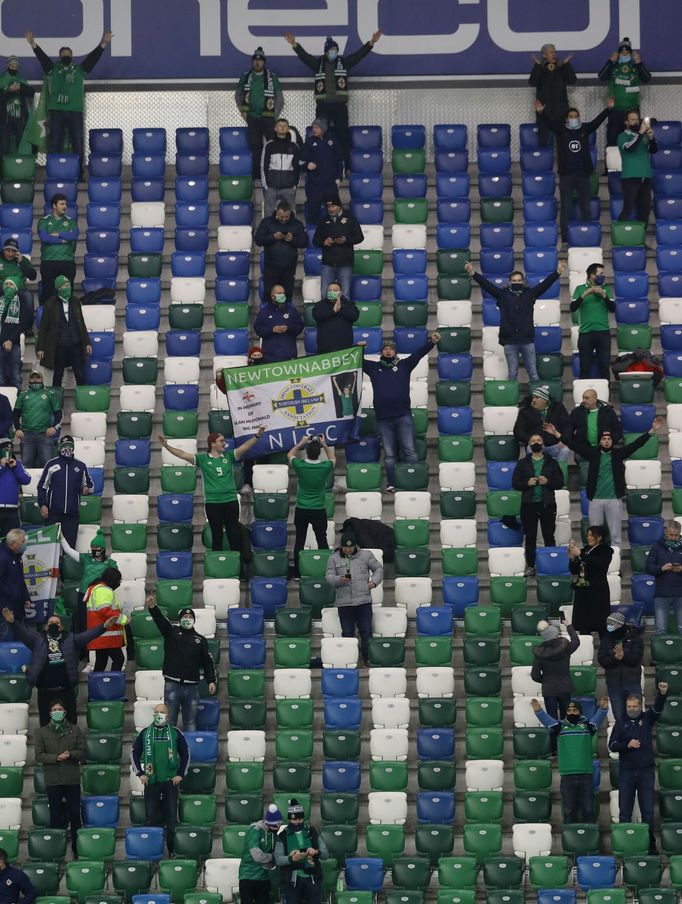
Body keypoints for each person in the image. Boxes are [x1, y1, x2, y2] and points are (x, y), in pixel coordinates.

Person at [546, 417, 664, 547]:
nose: (607, 441)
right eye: (604, 439)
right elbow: (573, 444)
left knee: (615, 535)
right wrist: (556, 433)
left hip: (613, 499)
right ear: (600, 442)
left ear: (612, 441)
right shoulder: (592, 453)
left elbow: (636, 444)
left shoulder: (619, 454)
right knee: (595, 534)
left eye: (609, 439)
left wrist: (652, 430)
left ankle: (616, 560)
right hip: (596, 499)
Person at [283, 31, 382, 173]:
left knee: (343, 137)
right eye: (331, 50)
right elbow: (304, 57)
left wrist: (371, 42)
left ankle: (345, 167)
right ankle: (321, 165)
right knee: (320, 136)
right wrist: (294, 44)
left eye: (336, 50)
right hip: (322, 106)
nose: (334, 52)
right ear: (326, 51)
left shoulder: (344, 63)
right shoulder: (318, 64)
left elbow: (358, 56)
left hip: (340, 106)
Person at [1, 606, 117, 725]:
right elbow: (23, 633)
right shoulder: (37, 640)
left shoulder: (71, 639)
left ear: (61, 627)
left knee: (71, 724)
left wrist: (104, 627)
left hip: (66, 691)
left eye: (56, 622)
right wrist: (12, 622)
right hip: (45, 692)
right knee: (45, 725)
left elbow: (88, 635)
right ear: (46, 626)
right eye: (51, 622)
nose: (54, 624)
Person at [160, 429, 263, 555]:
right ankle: (218, 565)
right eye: (221, 441)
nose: (224, 443)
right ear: (212, 444)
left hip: (230, 500)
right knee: (216, 534)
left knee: (234, 533)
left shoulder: (229, 456)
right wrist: (166, 445)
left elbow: (245, 446)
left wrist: (257, 435)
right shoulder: (203, 459)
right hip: (213, 502)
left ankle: (238, 566)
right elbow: (182, 454)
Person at [465, 260, 565, 381]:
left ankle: (538, 399)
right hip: (509, 339)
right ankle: (513, 400)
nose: (516, 282)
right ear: (509, 282)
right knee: (512, 373)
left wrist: (557, 272)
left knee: (533, 372)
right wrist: (473, 273)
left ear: (523, 282)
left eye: (519, 280)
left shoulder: (530, 294)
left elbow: (545, 285)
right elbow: (487, 285)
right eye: (514, 281)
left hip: (527, 338)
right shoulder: (503, 294)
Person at [363, 335, 440, 492]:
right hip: (383, 418)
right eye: (385, 349)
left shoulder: (405, 365)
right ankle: (392, 483)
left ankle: (414, 482)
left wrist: (431, 342)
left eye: (391, 349)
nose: (388, 351)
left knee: (409, 450)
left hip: (402, 415)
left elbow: (418, 353)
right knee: (390, 455)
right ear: (381, 353)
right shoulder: (373, 368)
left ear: (395, 352)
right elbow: (357, 360)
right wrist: (359, 348)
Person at [26, 29, 112, 163]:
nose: (66, 57)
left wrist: (103, 44)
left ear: (72, 57)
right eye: (64, 55)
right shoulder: (52, 68)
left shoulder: (79, 69)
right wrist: (33, 44)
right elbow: (42, 58)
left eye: (68, 55)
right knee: (55, 144)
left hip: (75, 111)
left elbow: (92, 59)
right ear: (59, 56)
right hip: (57, 111)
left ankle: (78, 175)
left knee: (77, 144)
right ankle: (54, 171)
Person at [534, 99, 611, 244]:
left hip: (583, 175)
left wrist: (607, 110)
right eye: (571, 116)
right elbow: (549, 122)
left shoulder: (584, 129)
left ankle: (588, 238)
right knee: (566, 208)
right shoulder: (561, 129)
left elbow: (597, 122)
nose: (574, 118)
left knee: (586, 207)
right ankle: (565, 240)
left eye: (576, 116)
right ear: (566, 119)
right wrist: (541, 112)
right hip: (566, 176)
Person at [608, 682, 668, 852]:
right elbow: (612, 745)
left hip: (646, 772)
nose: (632, 709)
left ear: (640, 706)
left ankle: (650, 845)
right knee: (624, 812)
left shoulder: (647, 719)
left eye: (635, 706)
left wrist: (662, 694)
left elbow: (657, 708)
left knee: (648, 811)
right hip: (626, 772)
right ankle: (627, 845)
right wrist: (627, 744)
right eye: (629, 706)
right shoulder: (621, 723)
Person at [144, 595, 217, 731]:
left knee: (190, 723)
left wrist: (211, 680)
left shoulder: (200, 640)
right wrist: (153, 607)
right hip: (173, 685)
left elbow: (207, 662)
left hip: (192, 688)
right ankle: (170, 751)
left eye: (190, 618)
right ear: (180, 619)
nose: (187, 619)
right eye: (185, 617)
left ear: (194, 620)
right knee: (169, 723)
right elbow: (160, 621)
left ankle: (189, 751)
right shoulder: (171, 632)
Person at [531, 696, 609, 823]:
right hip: (567, 776)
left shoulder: (588, 726)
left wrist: (603, 709)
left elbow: (598, 718)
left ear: (580, 712)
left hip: (586, 775)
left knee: (589, 811)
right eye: (569, 710)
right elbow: (547, 721)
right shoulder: (560, 726)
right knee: (569, 811)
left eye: (575, 710)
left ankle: (589, 838)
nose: (572, 713)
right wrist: (538, 711)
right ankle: (569, 839)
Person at [131, 703, 190, 857]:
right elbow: (134, 753)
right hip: (151, 782)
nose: (159, 714)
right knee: (150, 819)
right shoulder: (145, 733)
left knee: (171, 820)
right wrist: (140, 773)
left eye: (162, 712)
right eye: (156, 712)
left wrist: (180, 774)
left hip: (171, 782)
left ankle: (172, 851)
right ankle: (149, 852)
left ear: (167, 715)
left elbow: (186, 754)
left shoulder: (175, 733)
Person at [34, 699, 85, 858]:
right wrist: (56, 757)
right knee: (55, 816)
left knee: (75, 815)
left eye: (60, 709)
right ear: (50, 713)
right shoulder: (41, 732)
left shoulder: (75, 730)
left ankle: (77, 849)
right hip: (53, 780)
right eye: (54, 709)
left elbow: (83, 752)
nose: (57, 711)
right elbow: (39, 755)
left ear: (64, 712)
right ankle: (56, 852)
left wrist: (71, 754)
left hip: (72, 779)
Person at [326, 533, 383, 667]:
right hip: (344, 603)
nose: (347, 550)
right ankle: (349, 661)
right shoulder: (333, 558)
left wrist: (374, 582)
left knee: (366, 632)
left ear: (356, 546)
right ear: (341, 546)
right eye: (345, 547)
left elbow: (378, 569)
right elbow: (329, 577)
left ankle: (368, 660)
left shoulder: (366, 555)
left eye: (350, 547)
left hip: (363, 601)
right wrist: (339, 580)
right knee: (347, 633)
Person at [511, 433, 564, 576]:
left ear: (543, 444)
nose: (536, 442)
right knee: (530, 537)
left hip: (547, 504)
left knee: (549, 535)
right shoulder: (522, 463)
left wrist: (548, 482)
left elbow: (560, 482)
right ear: (529, 445)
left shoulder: (552, 462)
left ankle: (551, 566)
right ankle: (531, 566)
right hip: (529, 505)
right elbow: (515, 483)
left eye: (538, 440)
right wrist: (526, 483)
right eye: (533, 440)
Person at [288, 436, 335, 578]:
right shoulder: (325, 467)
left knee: (300, 541)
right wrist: (325, 444)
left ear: (307, 453)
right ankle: (327, 571)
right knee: (322, 540)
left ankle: (297, 572)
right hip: (319, 509)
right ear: (318, 453)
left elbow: (290, 454)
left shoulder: (300, 465)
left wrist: (301, 443)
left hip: (302, 508)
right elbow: (333, 458)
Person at [235, 47, 284, 181]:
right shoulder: (245, 77)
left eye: (260, 61)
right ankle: (257, 175)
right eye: (255, 61)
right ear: (252, 62)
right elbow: (238, 95)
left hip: (269, 118)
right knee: (255, 148)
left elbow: (279, 98)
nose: (257, 63)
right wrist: (242, 110)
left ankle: (271, 173)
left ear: (264, 62)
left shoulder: (272, 77)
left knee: (271, 146)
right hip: (252, 118)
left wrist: (275, 116)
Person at [37, 434, 94, 548]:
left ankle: (67, 566)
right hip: (53, 514)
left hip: (72, 515)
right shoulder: (51, 464)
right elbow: (42, 487)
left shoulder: (81, 466)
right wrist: (43, 504)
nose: (67, 448)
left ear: (73, 448)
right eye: (64, 446)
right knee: (50, 547)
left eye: (70, 446)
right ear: (59, 448)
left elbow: (90, 486)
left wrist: (87, 488)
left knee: (70, 548)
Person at [36, 276, 91, 388]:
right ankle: (56, 402)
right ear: (58, 288)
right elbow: (43, 328)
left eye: (68, 285)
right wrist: (40, 347)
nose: (68, 288)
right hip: (59, 345)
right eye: (64, 286)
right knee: (58, 375)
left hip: (75, 344)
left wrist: (87, 342)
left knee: (80, 374)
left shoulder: (75, 301)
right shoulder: (50, 304)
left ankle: (83, 397)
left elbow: (82, 324)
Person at [61, 528, 118, 635]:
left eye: (97, 547)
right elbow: (68, 550)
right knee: (83, 624)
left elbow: (115, 580)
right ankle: (83, 650)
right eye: (92, 547)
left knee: (98, 623)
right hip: (83, 595)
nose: (94, 550)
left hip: (99, 597)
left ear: (102, 549)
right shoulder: (86, 558)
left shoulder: (110, 563)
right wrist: (61, 534)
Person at [598, 37, 652, 148]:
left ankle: (633, 163)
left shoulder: (636, 67)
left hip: (632, 110)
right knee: (613, 141)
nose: (625, 53)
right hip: (616, 110)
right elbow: (602, 77)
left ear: (631, 54)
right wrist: (610, 61)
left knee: (635, 139)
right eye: (622, 51)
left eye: (627, 51)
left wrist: (639, 62)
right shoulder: (614, 66)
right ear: (618, 53)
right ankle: (612, 166)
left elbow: (647, 78)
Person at [274, 799, 329, 904]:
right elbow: (277, 859)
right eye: (294, 820)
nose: (297, 822)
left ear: (303, 818)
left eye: (300, 819)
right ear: (289, 819)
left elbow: (325, 853)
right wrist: (291, 858)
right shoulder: (282, 836)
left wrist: (316, 852)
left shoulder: (312, 832)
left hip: (312, 878)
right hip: (292, 881)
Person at [254, 199, 308, 303]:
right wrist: (273, 236)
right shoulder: (267, 222)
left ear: (290, 213)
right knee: (269, 296)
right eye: (281, 217)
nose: (283, 219)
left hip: (289, 268)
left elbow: (304, 242)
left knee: (287, 296)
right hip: (271, 268)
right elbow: (258, 240)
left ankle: (285, 317)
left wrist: (292, 239)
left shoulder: (297, 224)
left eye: (286, 217)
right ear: (276, 212)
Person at [570, 262, 616, 381]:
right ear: (592, 275)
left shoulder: (606, 289)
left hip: (603, 333)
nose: (603, 276)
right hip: (585, 333)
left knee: (604, 366)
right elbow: (572, 308)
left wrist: (604, 296)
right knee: (585, 367)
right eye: (601, 273)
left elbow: (613, 309)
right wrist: (583, 296)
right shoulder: (580, 289)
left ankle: (606, 397)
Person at [531, 618, 581, 725]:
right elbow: (576, 641)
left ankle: (554, 741)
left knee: (552, 723)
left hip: (549, 690)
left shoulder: (540, 654)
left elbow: (534, 675)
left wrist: (545, 680)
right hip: (564, 687)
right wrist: (569, 626)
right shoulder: (565, 648)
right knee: (567, 720)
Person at [313, 195, 364, 299]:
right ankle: (326, 315)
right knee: (325, 294)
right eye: (328, 207)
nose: (331, 209)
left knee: (345, 295)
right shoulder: (323, 221)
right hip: (328, 263)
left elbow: (359, 237)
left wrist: (346, 240)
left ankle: (343, 315)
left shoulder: (350, 219)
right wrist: (324, 242)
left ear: (339, 206)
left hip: (345, 263)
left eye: (333, 206)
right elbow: (315, 240)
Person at [598, 611, 644, 721]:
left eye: (611, 625)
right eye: (608, 624)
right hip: (614, 684)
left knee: (636, 716)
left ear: (620, 625)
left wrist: (623, 657)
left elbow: (635, 659)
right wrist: (615, 658)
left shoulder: (635, 638)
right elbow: (602, 660)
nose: (609, 627)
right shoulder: (606, 639)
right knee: (619, 718)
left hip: (632, 682)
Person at [568, 526, 614, 634]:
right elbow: (574, 570)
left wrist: (580, 555)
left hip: (597, 591)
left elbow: (599, 563)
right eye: (587, 535)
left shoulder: (606, 550)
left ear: (599, 537)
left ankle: (605, 649)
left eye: (591, 535)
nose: (588, 538)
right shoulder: (585, 550)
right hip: (583, 591)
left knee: (601, 623)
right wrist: (572, 558)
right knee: (583, 624)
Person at [528, 44, 577, 146]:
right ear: (544, 55)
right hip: (544, 111)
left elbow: (572, 80)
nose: (554, 54)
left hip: (561, 111)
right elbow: (533, 82)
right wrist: (537, 66)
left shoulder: (561, 68)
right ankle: (543, 161)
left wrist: (567, 65)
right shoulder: (540, 69)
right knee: (543, 140)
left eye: (554, 52)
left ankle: (563, 162)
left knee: (563, 141)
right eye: (551, 52)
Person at [299, 117, 344, 226]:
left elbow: (340, 161)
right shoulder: (309, 143)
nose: (313, 129)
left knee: (335, 214)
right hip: (314, 186)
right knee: (313, 214)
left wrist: (339, 178)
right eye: (313, 127)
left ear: (323, 128)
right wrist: (307, 165)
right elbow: (299, 162)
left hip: (330, 185)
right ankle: (313, 237)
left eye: (316, 127)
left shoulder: (333, 141)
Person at [13, 369, 61, 469]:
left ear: (42, 379)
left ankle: (47, 485)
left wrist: (54, 428)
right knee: (26, 466)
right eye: (32, 378)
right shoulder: (22, 395)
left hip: (44, 434)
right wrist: (17, 428)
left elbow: (59, 414)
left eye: (37, 377)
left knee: (48, 466)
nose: (35, 380)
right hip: (26, 435)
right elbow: (15, 414)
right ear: (29, 380)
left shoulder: (50, 394)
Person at [617, 109, 658, 224]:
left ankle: (640, 241)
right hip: (630, 178)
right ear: (626, 122)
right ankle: (620, 239)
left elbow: (654, 150)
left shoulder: (643, 136)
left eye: (637, 119)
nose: (635, 122)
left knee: (645, 211)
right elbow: (630, 148)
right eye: (632, 119)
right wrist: (640, 133)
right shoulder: (622, 136)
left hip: (646, 177)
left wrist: (651, 138)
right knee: (628, 210)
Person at [36, 195, 79, 304]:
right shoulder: (44, 221)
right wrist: (63, 240)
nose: (65, 206)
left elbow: (74, 235)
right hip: (49, 261)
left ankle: (67, 319)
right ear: (54, 206)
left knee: (67, 293)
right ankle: (47, 319)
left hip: (67, 262)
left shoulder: (71, 222)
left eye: (65, 204)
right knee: (48, 293)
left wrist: (58, 234)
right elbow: (45, 238)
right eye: (62, 204)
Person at [84, 567, 126, 671]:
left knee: (101, 662)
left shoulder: (97, 589)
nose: (119, 582)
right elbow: (105, 610)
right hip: (107, 635)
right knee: (119, 659)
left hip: (101, 634)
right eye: (119, 580)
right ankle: (112, 684)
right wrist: (123, 619)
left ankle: (98, 686)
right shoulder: (103, 590)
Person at [239, 804, 283, 904]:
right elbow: (257, 856)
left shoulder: (273, 834)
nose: (278, 828)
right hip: (248, 876)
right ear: (268, 823)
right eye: (276, 825)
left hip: (264, 877)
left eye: (280, 825)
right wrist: (273, 857)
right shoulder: (255, 831)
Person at [513, 385, 570, 461]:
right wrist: (531, 440)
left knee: (564, 450)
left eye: (537, 397)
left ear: (545, 400)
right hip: (535, 445)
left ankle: (560, 472)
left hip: (555, 445)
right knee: (530, 450)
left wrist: (564, 439)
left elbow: (568, 425)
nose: (533, 400)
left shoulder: (558, 408)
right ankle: (536, 472)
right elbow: (518, 430)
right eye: (533, 397)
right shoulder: (525, 411)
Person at [646, 520, 682, 635]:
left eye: (676, 535)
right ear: (666, 532)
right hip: (662, 594)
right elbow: (648, 568)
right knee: (660, 631)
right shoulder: (656, 547)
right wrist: (662, 569)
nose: (673, 537)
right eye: (671, 535)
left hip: (680, 594)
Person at [261, 118, 302, 217]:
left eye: (285, 126)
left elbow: (297, 168)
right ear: (275, 128)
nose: (283, 128)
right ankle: (269, 233)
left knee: (291, 215)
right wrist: (266, 186)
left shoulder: (294, 147)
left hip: (289, 187)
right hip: (271, 187)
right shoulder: (269, 146)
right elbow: (263, 167)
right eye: (280, 125)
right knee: (269, 216)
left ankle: (291, 233)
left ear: (288, 129)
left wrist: (295, 185)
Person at [254, 284, 303, 362]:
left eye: (283, 293)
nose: (282, 295)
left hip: (289, 356)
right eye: (279, 293)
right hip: (269, 358)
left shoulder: (291, 310)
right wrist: (272, 329)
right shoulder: (264, 311)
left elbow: (299, 326)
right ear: (273, 296)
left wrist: (288, 328)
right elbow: (258, 329)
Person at [0, 238, 37, 335]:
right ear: (3, 250)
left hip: (19, 289)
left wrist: (21, 262)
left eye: (13, 252)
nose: (10, 254)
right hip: (3, 288)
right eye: (8, 251)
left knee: (28, 297)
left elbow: (33, 276)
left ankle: (28, 327)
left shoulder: (22, 260)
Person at [0, 56, 35, 156]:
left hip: (20, 119)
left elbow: (31, 92)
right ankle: (2, 170)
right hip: (4, 120)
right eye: (12, 65)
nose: (14, 68)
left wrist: (20, 87)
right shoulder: (1, 79)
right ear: (8, 66)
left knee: (22, 145)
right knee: (4, 146)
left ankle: (20, 169)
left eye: (16, 66)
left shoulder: (21, 80)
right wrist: (9, 91)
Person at [312, 281, 359, 353]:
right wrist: (333, 310)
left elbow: (354, 316)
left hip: (345, 348)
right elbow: (317, 315)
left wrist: (340, 308)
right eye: (330, 290)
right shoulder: (320, 305)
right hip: (324, 348)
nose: (332, 292)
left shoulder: (348, 304)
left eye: (335, 290)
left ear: (340, 292)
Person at [0, 528, 30, 638]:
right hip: (5, 609)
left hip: (17, 606)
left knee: (20, 638)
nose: (24, 544)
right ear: (13, 543)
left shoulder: (17, 555)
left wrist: (25, 597)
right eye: (22, 542)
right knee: (7, 640)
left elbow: (20, 579)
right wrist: (11, 594)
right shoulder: (2, 557)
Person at [0, 438, 30, 537]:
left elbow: (27, 480)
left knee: (11, 542)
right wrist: (1, 466)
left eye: (10, 449)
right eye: (5, 449)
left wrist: (16, 467)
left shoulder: (18, 464)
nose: (8, 451)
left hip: (12, 511)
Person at [0, 279, 22, 390]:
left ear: (16, 288)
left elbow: (22, 324)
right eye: (6, 284)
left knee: (15, 377)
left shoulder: (21, 302)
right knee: (0, 378)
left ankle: (17, 404)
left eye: (11, 284)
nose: (8, 286)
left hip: (13, 344)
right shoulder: (0, 301)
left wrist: (10, 340)